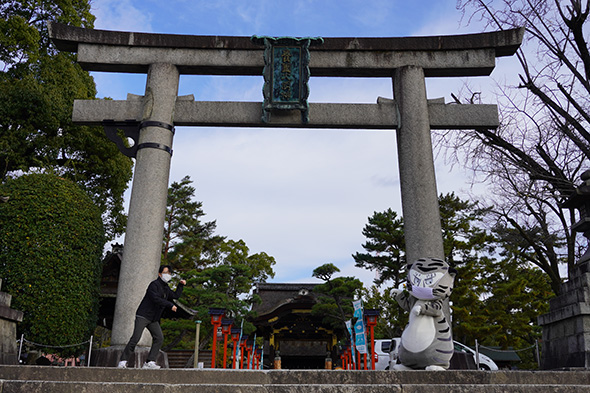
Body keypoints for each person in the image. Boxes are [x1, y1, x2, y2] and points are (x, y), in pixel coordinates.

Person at [118, 265, 186, 369]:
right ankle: (123, 360)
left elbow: (175, 295)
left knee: (159, 338)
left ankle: (149, 361)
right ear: (160, 274)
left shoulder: (166, 288)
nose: (168, 275)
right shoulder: (153, 285)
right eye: (166, 273)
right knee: (135, 338)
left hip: (153, 319)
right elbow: (156, 299)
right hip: (143, 315)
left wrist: (180, 285)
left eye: (170, 273)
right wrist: (169, 305)